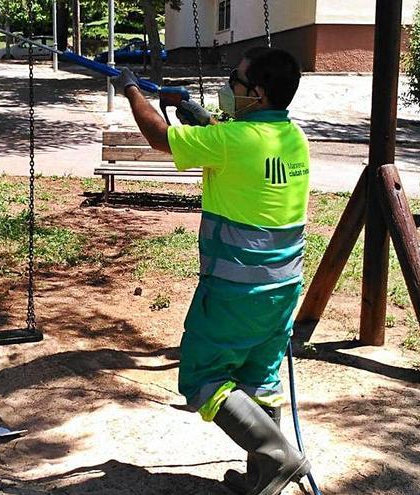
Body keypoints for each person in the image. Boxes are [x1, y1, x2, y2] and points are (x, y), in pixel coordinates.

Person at [111, 47, 312, 495]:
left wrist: (129, 88)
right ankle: (262, 478)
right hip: (282, 288)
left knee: (204, 378)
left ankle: (278, 456)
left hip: (234, 290)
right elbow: (233, 136)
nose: (228, 86)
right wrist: (194, 112)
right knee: (259, 377)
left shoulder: (232, 143)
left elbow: (159, 138)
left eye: (235, 82)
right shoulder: (291, 138)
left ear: (256, 94)